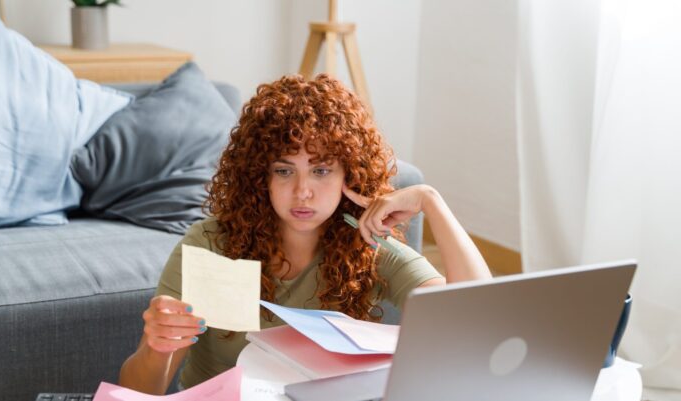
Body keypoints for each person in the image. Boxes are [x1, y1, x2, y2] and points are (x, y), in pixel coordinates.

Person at [119, 74, 492, 394]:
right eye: (284, 171)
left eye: (321, 171)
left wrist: (431, 201)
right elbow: (139, 391)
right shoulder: (214, 246)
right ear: (259, 176)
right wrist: (158, 348)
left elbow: (471, 319)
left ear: (350, 175)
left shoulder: (366, 246)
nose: (302, 192)